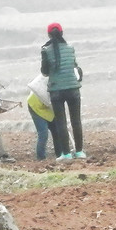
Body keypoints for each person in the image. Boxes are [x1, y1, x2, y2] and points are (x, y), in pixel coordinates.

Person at [40, 23, 85, 160]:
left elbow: (45, 72)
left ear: (49, 35)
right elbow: (75, 67)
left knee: (61, 123)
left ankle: (66, 154)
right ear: (62, 33)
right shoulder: (70, 49)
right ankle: (79, 152)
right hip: (73, 89)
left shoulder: (46, 51)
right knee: (76, 121)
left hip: (56, 90)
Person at [26, 73, 54, 161]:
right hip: (35, 104)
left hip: (46, 105)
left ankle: (60, 152)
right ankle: (41, 157)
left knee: (56, 130)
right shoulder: (56, 79)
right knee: (43, 132)